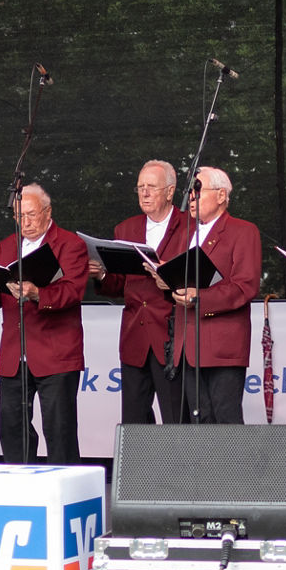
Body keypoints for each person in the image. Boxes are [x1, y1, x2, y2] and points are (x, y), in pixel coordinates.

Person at [0, 183, 88, 464]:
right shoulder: (6, 245)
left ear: (47, 212)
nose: (24, 222)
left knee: (59, 432)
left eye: (31, 214)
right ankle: (20, 493)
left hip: (56, 354)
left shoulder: (70, 244)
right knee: (13, 430)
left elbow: (74, 291)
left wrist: (38, 293)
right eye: (19, 216)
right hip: (15, 353)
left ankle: (65, 496)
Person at [88, 159, 190, 424]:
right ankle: (139, 467)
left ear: (170, 191)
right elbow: (121, 285)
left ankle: (181, 467)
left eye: (151, 187)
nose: (144, 192)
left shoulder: (190, 226)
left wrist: (170, 278)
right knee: (134, 422)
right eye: (140, 187)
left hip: (171, 337)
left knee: (176, 420)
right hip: (134, 337)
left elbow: (199, 279)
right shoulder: (126, 229)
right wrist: (101, 275)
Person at [163, 166, 261, 424]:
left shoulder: (243, 231)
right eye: (190, 192)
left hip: (222, 344)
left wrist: (200, 298)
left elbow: (245, 286)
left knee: (225, 419)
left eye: (198, 191)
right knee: (199, 422)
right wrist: (164, 280)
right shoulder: (186, 233)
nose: (192, 198)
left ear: (221, 196)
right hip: (188, 343)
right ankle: (203, 467)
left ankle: (233, 467)